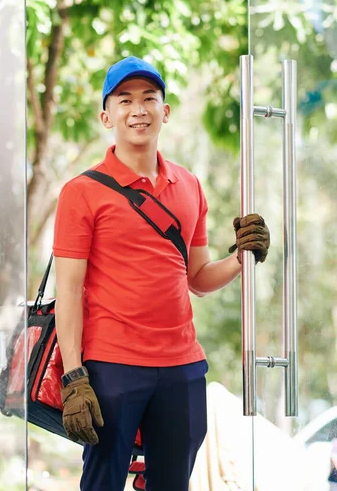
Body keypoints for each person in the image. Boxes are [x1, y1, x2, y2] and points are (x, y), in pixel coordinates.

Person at [52, 56, 270, 491]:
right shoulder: (81, 193)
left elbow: (199, 277)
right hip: (111, 366)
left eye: (149, 98)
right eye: (125, 100)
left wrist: (244, 257)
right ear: (106, 115)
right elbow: (69, 291)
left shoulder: (189, 185)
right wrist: (74, 377)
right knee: (103, 484)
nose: (139, 110)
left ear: (165, 111)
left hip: (182, 368)